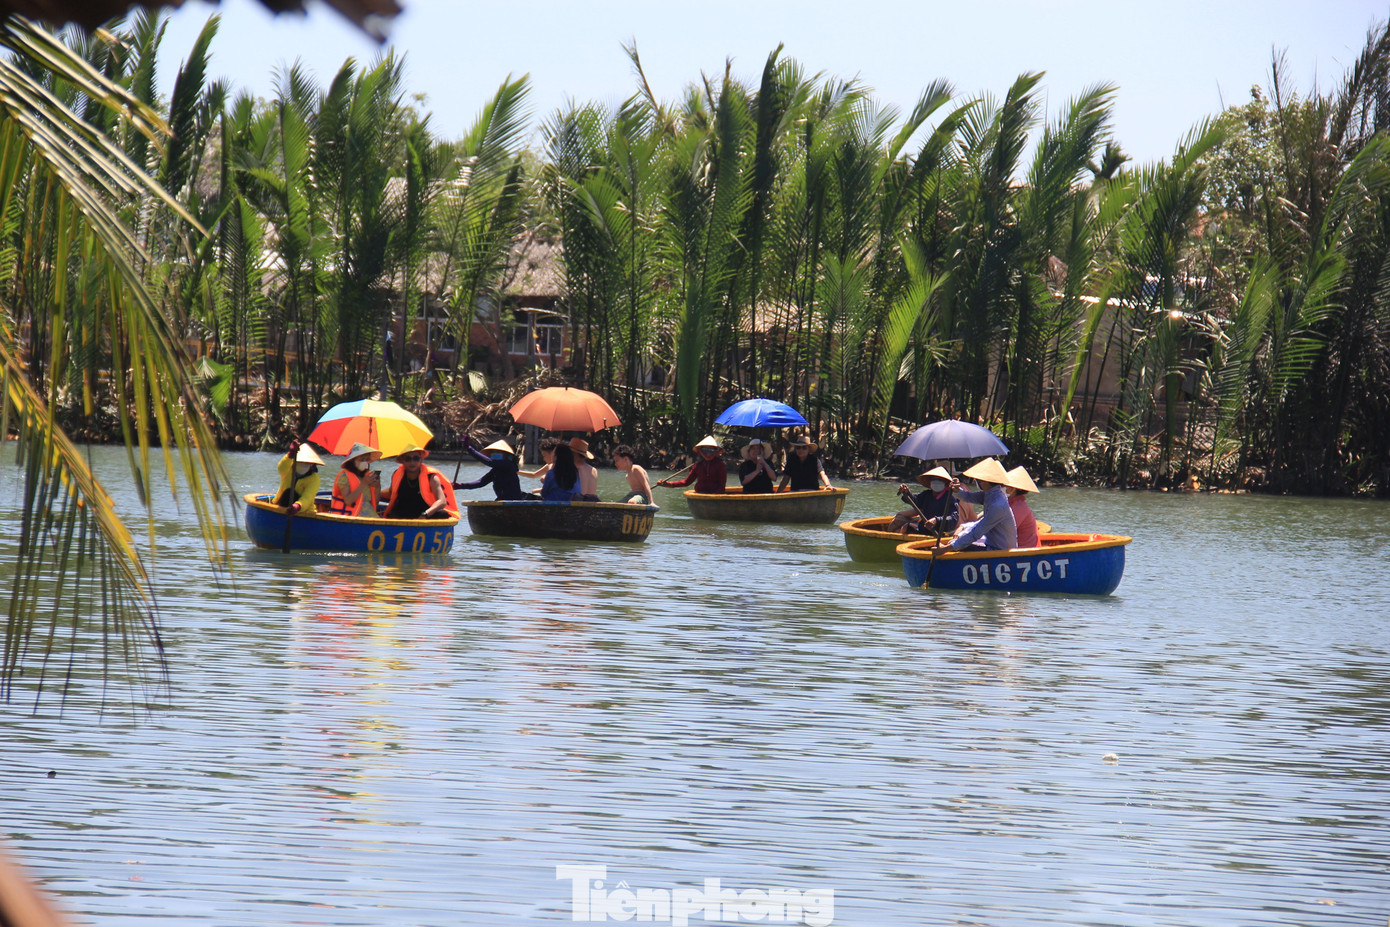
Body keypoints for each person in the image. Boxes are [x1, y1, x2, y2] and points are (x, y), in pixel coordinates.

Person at [945, 457, 1017, 551]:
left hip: (1000, 551)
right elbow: (967, 497)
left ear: (984, 481)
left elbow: (976, 533)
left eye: (978, 479)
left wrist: (949, 548)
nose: (977, 482)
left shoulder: (997, 504)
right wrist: (956, 490)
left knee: (958, 547)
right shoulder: (990, 495)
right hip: (992, 546)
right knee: (957, 544)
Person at [382, 444, 458, 519]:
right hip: (403, 511)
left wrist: (425, 514)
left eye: (416, 458)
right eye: (408, 459)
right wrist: (373, 490)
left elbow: (442, 501)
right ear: (402, 461)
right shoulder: (397, 474)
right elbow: (391, 492)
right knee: (391, 514)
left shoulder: (431, 477)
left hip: (424, 512)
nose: (412, 462)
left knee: (443, 514)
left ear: (421, 460)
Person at [888, 465, 961, 534]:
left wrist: (937, 520)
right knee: (900, 521)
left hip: (937, 532)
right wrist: (907, 493)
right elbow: (915, 500)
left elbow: (953, 519)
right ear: (930, 483)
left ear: (945, 483)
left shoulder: (949, 499)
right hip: (923, 527)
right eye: (934, 480)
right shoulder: (927, 495)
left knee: (905, 527)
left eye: (940, 480)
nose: (936, 483)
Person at [452, 435, 527, 501]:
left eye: (498, 452)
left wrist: (470, 449)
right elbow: (480, 483)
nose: (495, 453)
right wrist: (460, 486)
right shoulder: (495, 471)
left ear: (506, 455)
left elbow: (489, 462)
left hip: (513, 500)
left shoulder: (509, 465)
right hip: (502, 500)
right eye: (494, 452)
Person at [658, 435, 728, 493]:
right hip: (700, 493)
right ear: (700, 452)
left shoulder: (720, 465)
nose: (708, 454)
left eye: (711, 451)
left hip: (715, 494)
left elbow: (721, 486)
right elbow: (686, 482)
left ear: (717, 452)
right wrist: (668, 484)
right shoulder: (698, 465)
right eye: (705, 451)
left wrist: (714, 496)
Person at [330, 442, 382, 517]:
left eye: (367, 460)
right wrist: (364, 483)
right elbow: (348, 501)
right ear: (352, 461)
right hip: (352, 516)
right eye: (362, 460)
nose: (365, 462)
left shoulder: (367, 476)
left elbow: (375, 503)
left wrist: (377, 486)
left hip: (370, 515)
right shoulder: (344, 476)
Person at [275, 439, 323, 514]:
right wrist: (290, 454)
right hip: (281, 504)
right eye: (301, 462)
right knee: (288, 493)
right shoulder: (288, 470)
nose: (304, 464)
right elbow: (281, 468)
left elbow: (307, 497)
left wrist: (297, 506)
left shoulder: (315, 479)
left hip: (305, 511)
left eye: (307, 463)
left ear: (312, 465)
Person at [1005, 465, 1042, 548]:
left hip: (1024, 552)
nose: (1002, 488)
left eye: (1004, 485)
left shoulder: (1019, 507)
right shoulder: (1010, 504)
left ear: (1013, 489)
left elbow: (1003, 530)